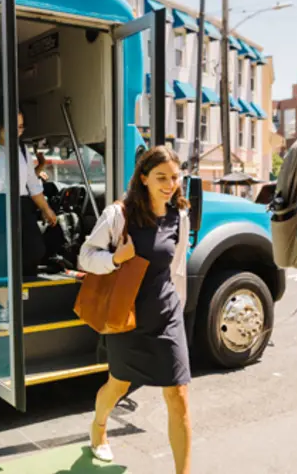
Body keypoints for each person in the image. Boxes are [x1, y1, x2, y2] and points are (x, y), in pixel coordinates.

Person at [78, 146, 192, 473]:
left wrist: (178, 309)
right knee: (119, 383)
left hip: (166, 313)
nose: (170, 184)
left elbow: (176, 267)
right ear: (143, 178)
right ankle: (99, 428)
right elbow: (85, 257)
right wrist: (116, 259)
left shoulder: (179, 216)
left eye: (174, 177)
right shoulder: (119, 215)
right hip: (125, 315)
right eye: (161, 177)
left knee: (179, 395)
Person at [0, 108, 57, 330]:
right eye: (13, 126)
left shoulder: (22, 150)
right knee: (0, 259)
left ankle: (15, 296)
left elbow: (32, 184)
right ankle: (1, 309)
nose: (18, 132)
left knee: (34, 249)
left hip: (19, 204)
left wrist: (46, 209)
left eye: (21, 127)